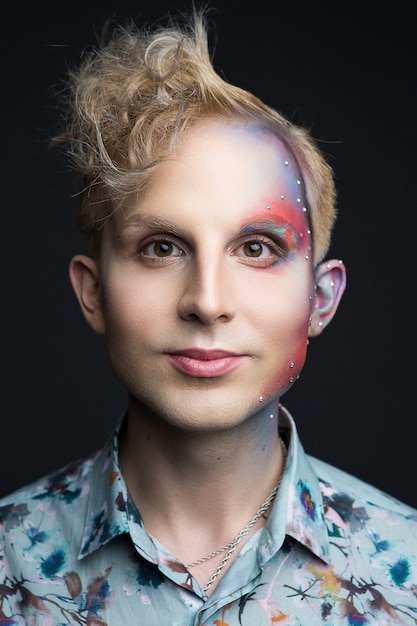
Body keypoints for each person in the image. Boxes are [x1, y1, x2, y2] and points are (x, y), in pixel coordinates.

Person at [1, 6, 416, 625]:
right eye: (162, 247)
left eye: (257, 248)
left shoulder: (405, 573)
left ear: (320, 300)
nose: (208, 300)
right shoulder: (10, 563)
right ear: (93, 293)